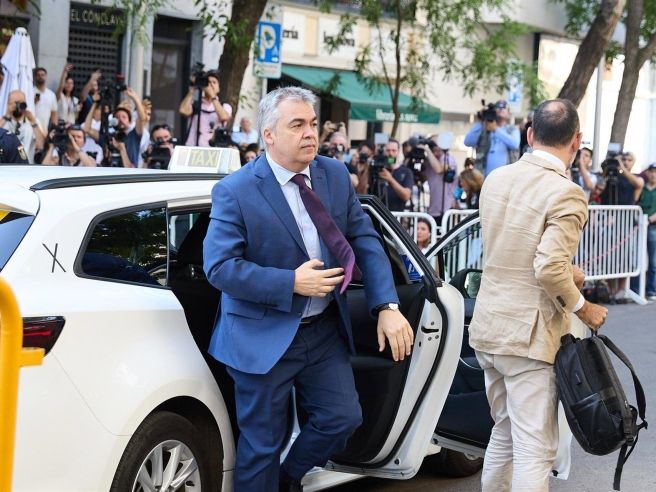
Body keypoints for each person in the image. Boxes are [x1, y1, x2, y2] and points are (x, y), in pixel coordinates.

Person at [203, 86, 413, 492]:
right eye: (297, 125)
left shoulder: (333, 175)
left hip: (322, 332)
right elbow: (220, 267)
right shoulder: (235, 190)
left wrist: (387, 305)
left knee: (343, 419)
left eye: (313, 124)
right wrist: (291, 282)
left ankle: (288, 478)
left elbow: (365, 240)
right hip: (260, 334)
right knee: (262, 446)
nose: (310, 133)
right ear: (268, 135)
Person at [469, 98, 608, 492]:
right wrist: (584, 307)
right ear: (577, 141)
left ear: (530, 135)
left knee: (504, 433)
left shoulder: (496, 178)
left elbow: (515, 251)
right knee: (534, 449)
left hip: (489, 327)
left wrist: (567, 273)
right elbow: (547, 267)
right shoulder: (567, 193)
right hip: (528, 337)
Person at [464, 99, 520, 176]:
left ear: (509, 113)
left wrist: (495, 129)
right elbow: (468, 142)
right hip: (483, 176)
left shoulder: (512, 129)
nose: (500, 109)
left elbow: (515, 144)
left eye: (504, 107)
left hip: (506, 176)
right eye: (497, 107)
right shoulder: (483, 127)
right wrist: (481, 121)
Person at [179, 70, 232, 147]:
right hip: (193, 147)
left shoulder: (224, 106)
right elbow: (183, 110)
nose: (211, 85)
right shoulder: (196, 104)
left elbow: (223, 117)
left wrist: (212, 96)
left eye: (214, 82)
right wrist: (193, 89)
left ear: (219, 88)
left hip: (214, 147)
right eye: (208, 82)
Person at [1, 90, 45, 162]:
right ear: (8, 104)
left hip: (27, 166)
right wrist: (6, 117)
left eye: (20, 102)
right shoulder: (3, 121)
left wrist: (33, 122)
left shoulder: (33, 121)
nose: (17, 106)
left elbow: (41, 145)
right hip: (7, 166)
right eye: (14, 103)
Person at [424, 140, 457, 224]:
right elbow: (421, 178)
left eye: (438, 150)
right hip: (433, 208)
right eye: (433, 150)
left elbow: (439, 169)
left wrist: (427, 150)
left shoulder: (448, 159)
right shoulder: (429, 162)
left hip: (446, 208)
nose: (436, 153)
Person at [113, 87, 148, 167]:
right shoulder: (112, 136)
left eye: (124, 117)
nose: (120, 119)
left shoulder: (133, 135)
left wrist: (135, 98)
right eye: (117, 117)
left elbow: (142, 118)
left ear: (130, 120)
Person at [637, 163, 656, 300]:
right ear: (647, 173)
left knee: (653, 261)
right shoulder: (641, 188)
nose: (653, 174)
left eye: (655, 172)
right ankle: (636, 289)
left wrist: (651, 219)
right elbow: (636, 203)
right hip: (639, 226)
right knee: (637, 259)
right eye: (651, 171)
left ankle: (651, 290)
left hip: (653, 227)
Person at [378, 139, 413, 212]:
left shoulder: (406, 172)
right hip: (377, 214)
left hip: (396, 216)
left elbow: (406, 196)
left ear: (398, 152)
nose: (390, 154)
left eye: (394, 151)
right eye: (388, 150)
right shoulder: (376, 170)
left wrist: (390, 179)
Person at [33, 67, 58, 131]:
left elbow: (54, 113)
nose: (40, 77)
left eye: (42, 75)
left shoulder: (51, 95)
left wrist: (53, 129)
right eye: (38, 75)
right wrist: (33, 102)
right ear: (34, 77)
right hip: (30, 129)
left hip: (44, 129)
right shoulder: (30, 92)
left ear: (46, 77)